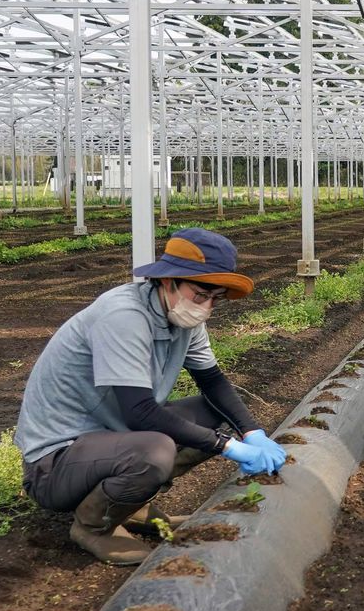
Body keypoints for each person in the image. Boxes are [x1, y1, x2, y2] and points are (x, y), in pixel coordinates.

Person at [15, 228, 287, 564]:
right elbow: (139, 412)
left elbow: (213, 382)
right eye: (200, 295)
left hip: (108, 440)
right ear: (168, 281)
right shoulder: (123, 316)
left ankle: (130, 505)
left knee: (213, 411)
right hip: (55, 464)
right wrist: (227, 446)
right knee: (155, 450)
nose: (206, 307)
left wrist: (251, 432)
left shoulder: (184, 319)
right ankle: (93, 526)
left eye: (216, 298)